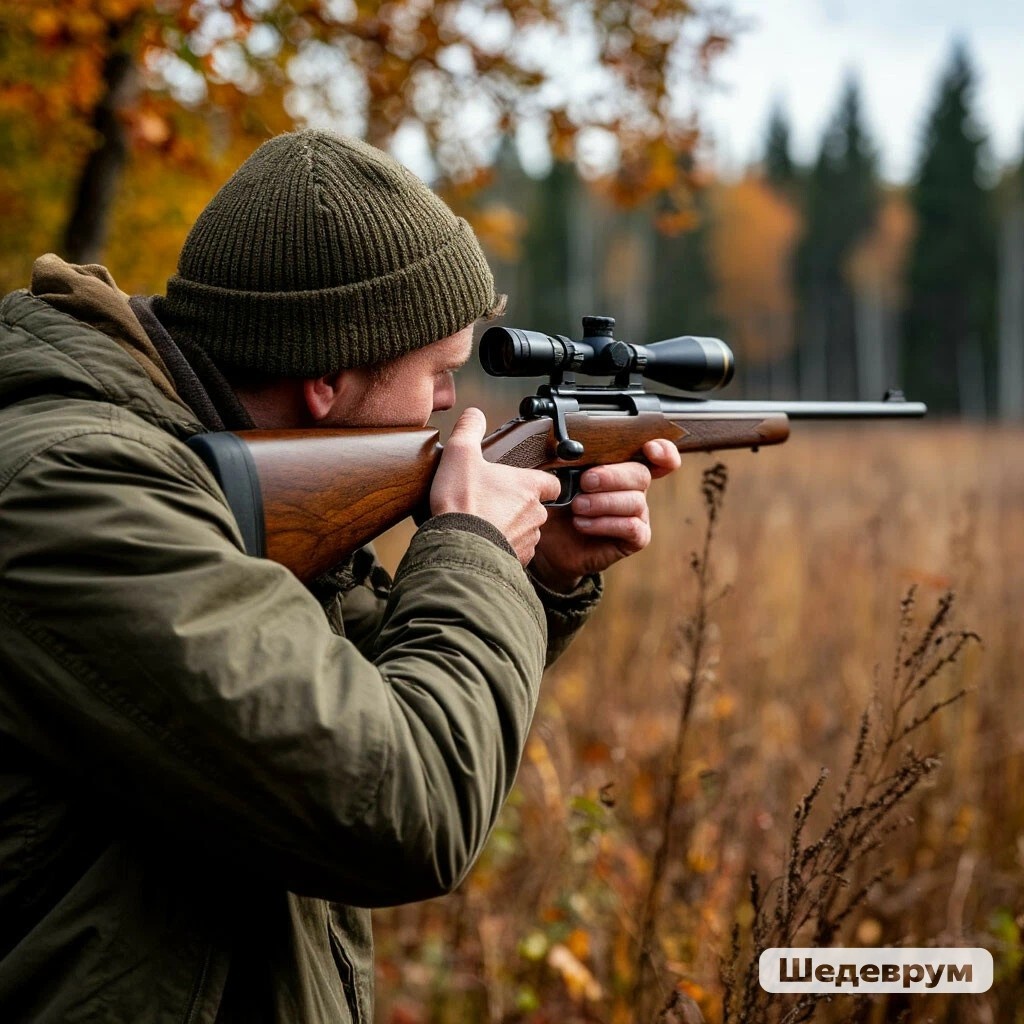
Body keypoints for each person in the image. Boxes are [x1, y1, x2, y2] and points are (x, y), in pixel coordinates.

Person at [0, 129, 680, 1023]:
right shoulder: (75, 493)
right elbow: (409, 801)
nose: (452, 404)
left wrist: (539, 579)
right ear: (325, 377)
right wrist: (472, 541)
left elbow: (343, 695)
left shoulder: (196, 483)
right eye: (438, 373)